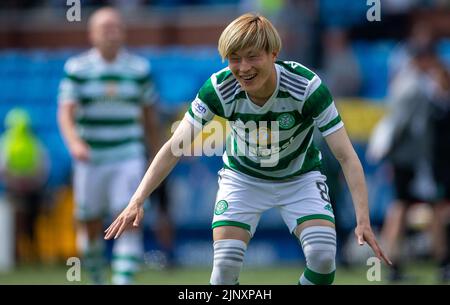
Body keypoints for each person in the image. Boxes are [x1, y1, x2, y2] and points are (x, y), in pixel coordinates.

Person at [105, 13, 391, 285]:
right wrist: (138, 199)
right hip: (243, 178)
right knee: (225, 268)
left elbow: (346, 156)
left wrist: (363, 219)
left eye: (253, 57)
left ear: (273, 54)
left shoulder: (306, 87)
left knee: (323, 257)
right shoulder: (218, 88)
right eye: (234, 59)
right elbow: (174, 147)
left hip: (299, 178)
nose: (243, 68)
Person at [57, 7, 162, 284]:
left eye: (116, 27)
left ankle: (122, 281)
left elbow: (150, 116)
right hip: (90, 158)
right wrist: (74, 143)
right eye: (105, 28)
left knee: (129, 219)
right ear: (92, 34)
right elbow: (65, 113)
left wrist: (156, 153)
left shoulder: (139, 69)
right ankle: (95, 275)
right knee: (90, 226)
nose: (112, 33)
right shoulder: (77, 69)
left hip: (128, 155)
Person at [368, 44, 438, 281]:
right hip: (406, 158)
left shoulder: (404, 84)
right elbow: (400, 127)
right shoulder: (413, 87)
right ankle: (391, 263)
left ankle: (392, 263)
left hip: (403, 157)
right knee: (400, 208)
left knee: (402, 208)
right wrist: (389, 152)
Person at [0, 108, 50, 264]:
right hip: (24, 190)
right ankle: (23, 255)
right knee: (22, 223)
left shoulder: (6, 143)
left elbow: (3, 169)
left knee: (25, 224)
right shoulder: (35, 143)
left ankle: (28, 255)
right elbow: (43, 168)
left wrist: (18, 181)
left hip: (23, 190)